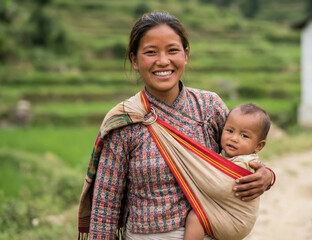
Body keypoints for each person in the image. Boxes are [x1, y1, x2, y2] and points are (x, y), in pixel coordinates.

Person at [78, 11, 275, 240]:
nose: (163, 61)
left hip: (212, 232)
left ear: (186, 55)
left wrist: (267, 177)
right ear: (134, 60)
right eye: (151, 52)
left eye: (172, 51)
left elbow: (242, 151)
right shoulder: (125, 121)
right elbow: (106, 205)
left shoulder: (209, 107)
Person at [184, 103, 271, 240]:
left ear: (258, 146)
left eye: (244, 136)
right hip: (229, 216)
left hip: (236, 221)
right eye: (229, 131)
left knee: (195, 218)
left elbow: (220, 185)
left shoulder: (245, 163)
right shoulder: (229, 155)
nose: (234, 138)